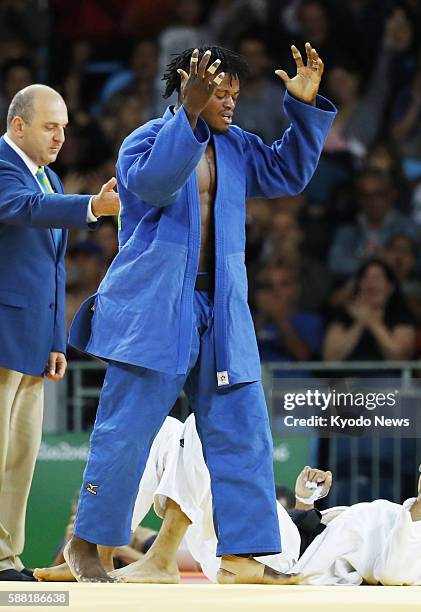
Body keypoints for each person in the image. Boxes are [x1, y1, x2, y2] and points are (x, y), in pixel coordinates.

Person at [65, 44, 336, 583]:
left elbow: (288, 174)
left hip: (223, 304)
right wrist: (187, 119)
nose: (231, 103)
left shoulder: (237, 148)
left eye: (235, 93)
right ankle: (84, 544)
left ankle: (243, 553)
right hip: (155, 306)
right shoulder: (144, 141)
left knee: (243, 427)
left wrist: (303, 110)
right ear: (189, 90)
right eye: (219, 93)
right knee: (126, 430)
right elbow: (155, 184)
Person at [35, 417, 421, 586]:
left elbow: (393, 569)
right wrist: (306, 502)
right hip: (275, 544)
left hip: (269, 561)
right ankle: (99, 552)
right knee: (167, 433)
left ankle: (161, 558)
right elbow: (335, 544)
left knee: (203, 426)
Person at [0, 84, 120, 582]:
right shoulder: (4, 169)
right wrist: (91, 206)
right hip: (2, 333)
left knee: (19, 460)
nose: (60, 137)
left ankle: (5, 558)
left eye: (65, 127)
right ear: (18, 125)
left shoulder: (45, 176)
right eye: (50, 127)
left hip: (29, 338)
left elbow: (51, 268)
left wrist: (55, 339)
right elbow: (26, 211)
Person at [323, 259, 417, 362]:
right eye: (365, 277)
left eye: (377, 278)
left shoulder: (402, 317)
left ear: (390, 287)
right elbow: (330, 359)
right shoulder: (343, 316)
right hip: (347, 377)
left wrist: (373, 323)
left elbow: (399, 358)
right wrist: (359, 323)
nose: (370, 283)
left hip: (386, 377)